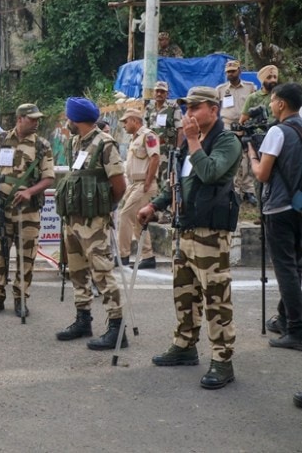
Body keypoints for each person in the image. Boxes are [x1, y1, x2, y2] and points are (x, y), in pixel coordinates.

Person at [138, 86, 241, 390]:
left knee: (216, 297)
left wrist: (193, 139)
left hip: (211, 232)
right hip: (185, 230)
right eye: (187, 108)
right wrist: (154, 205)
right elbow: (178, 185)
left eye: (196, 107)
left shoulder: (226, 141)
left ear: (214, 109)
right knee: (184, 292)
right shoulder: (185, 145)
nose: (189, 114)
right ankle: (184, 345)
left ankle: (222, 359)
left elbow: (210, 173)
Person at [55, 97, 128, 350]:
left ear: (76, 119)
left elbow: (119, 186)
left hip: (94, 222)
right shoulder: (76, 142)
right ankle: (83, 319)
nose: (67, 122)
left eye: (69, 118)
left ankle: (117, 328)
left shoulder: (105, 144)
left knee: (102, 272)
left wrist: (106, 211)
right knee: (76, 270)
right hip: (73, 219)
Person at [0, 104, 55, 316]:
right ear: (20, 118)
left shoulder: (42, 146)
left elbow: (49, 178)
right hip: (3, 209)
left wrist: (30, 192)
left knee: (27, 257)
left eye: (38, 119)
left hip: (28, 211)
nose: (36, 122)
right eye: (32, 119)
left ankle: (21, 298)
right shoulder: (2, 139)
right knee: (0, 254)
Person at [248, 82, 302, 350]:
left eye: (272, 100)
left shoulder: (277, 132)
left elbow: (263, 174)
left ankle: (295, 328)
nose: (270, 105)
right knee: (297, 266)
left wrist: (252, 158)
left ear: (282, 103)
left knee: (285, 269)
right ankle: (284, 317)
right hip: (299, 206)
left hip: (279, 209)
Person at [117, 108, 159, 269]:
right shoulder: (135, 138)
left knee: (125, 215)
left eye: (126, 121)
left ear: (135, 120)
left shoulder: (148, 135)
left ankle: (123, 255)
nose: (124, 125)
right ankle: (148, 256)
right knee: (137, 220)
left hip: (143, 184)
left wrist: (148, 182)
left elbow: (154, 158)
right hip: (134, 184)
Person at [217, 60, 257, 205]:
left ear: (239, 71)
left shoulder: (250, 87)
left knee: (247, 158)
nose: (230, 74)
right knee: (231, 158)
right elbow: (216, 108)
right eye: (228, 72)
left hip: (245, 127)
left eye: (233, 71)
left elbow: (255, 106)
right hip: (228, 127)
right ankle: (235, 190)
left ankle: (248, 190)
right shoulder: (221, 89)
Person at [145, 81, 184, 186]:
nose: (159, 94)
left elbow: (180, 129)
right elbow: (145, 129)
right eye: (157, 91)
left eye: (162, 92)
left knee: (166, 179)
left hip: (167, 151)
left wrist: (178, 149)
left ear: (167, 94)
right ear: (154, 92)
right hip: (152, 150)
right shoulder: (150, 107)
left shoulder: (173, 107)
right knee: (152, 177)